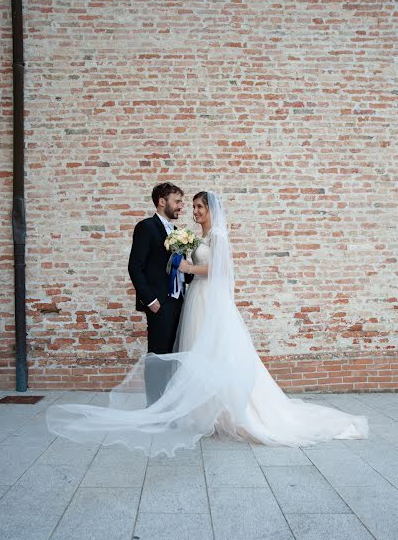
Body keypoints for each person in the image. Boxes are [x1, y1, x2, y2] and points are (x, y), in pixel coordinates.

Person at [46, 191, 368, 457]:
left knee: (212, 353)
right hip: (194, 299)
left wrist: (187, 266)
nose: (193, 211)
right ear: (162, 202)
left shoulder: (217, 235)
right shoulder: (194, 235)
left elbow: (220, 271)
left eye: (198, 207)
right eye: (190, 206)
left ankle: (223, 413)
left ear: (211, 209)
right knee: (197, 355)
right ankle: (198, 410)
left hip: (206, 300)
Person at [128, 182, 192, 406]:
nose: (181, 206)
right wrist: (151, 300)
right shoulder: (145, 227)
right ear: (161, 202)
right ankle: (154, 407)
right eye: (177, 201)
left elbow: (179, 268)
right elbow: (135, 267)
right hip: (159, 304)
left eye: (182, 202)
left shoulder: (176, 232)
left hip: (178, 302)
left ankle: (170, 405)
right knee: (157, 358)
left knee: (173, 356)